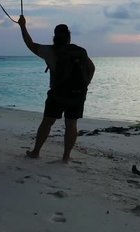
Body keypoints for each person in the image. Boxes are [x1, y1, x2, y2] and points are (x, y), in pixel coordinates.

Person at [18, 15, 95, 162]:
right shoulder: (80, 51)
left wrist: (22, 26)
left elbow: (30, 44)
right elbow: (91, 68)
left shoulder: (50, 51)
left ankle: (36, 152)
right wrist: (85, 85)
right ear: (69, 37)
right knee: (71, 124)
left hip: (57, 94)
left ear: (54, 37)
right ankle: (66, 157)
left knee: (47, 122)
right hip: (77, 94)